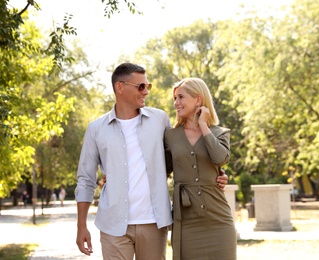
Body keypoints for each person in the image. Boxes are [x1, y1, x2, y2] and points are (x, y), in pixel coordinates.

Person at [75, 63, 228, 260]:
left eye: (148, 86)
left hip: (154, 223)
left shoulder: (159, 119)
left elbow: (181, 156)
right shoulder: (96, 129)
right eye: (140, 86)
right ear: (120, 87)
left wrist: (216, 173)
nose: (146, 91)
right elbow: (85, 180)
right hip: (113, 224)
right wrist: (81, 227)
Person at [164, 78, 237, 260]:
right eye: (175, 98)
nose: (176, 103)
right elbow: (160, 170)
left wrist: (204, 125)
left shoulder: (220, 133)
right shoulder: (170, 136)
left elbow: (220, 158)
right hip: (187, 221)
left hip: (218, 218)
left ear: (198, 100)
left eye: (181, 97)